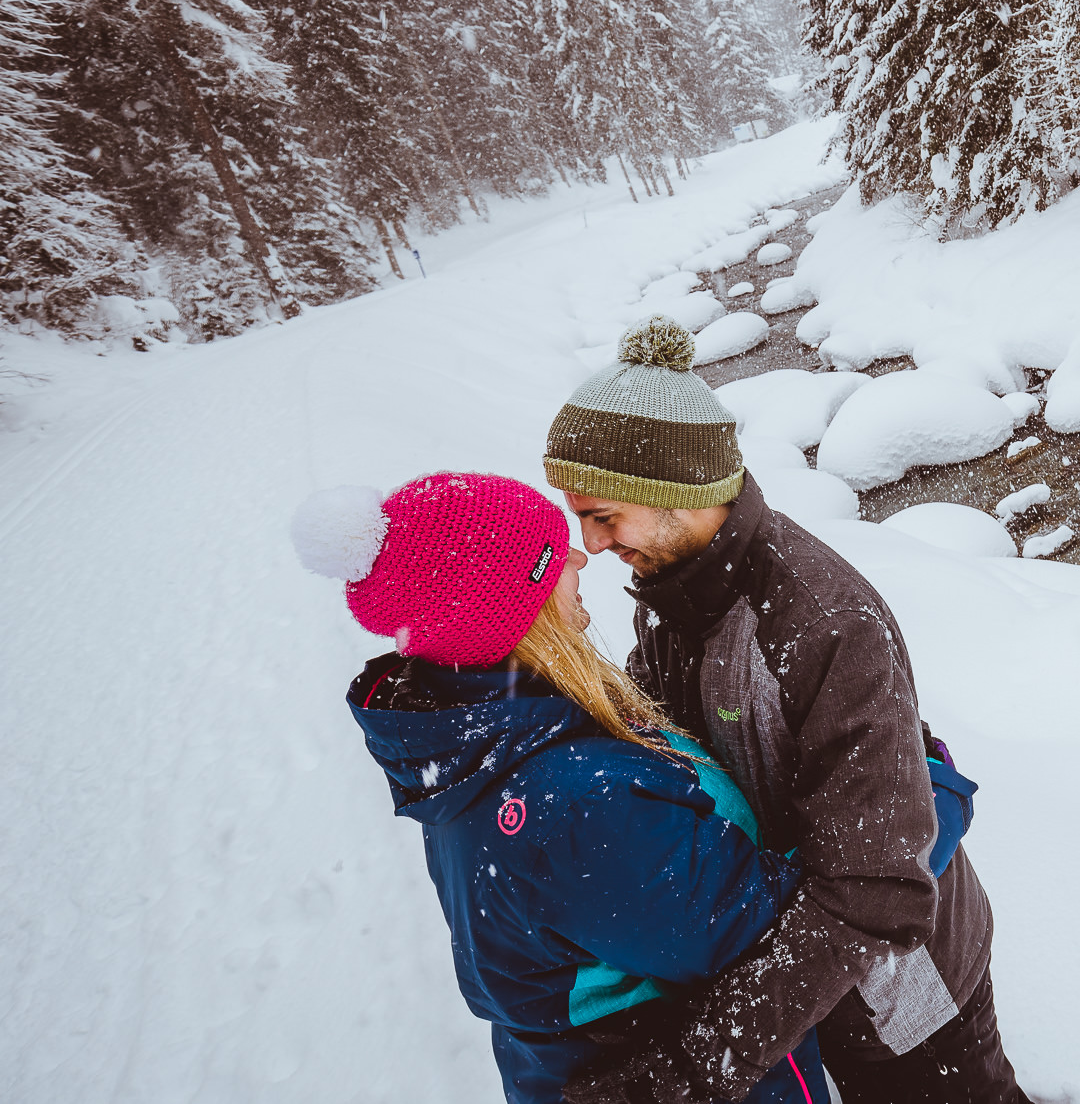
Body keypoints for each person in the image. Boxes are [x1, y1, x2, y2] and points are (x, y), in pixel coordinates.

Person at [544, 317, 1028, 1104]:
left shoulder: (822, 623)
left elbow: (875, 890)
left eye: (603, 515)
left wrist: (694, 1066)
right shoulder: (674, 592)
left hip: (907, 990)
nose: (591, 544)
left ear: (674, 492)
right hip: (813, 979)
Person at [293, 471, 832, 1104]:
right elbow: (778, 924)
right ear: (509, 615)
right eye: (551, 558)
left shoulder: (484, 741)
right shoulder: (575, 806)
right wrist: (906, 793)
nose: (579, 555)